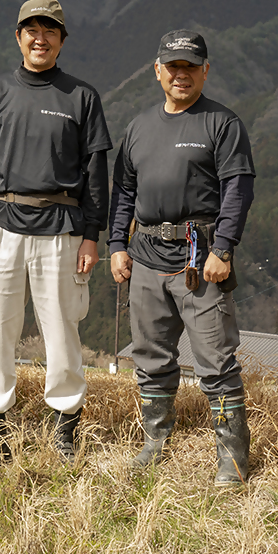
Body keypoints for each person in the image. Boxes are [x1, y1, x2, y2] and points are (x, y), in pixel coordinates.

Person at [0, 0, 112, 461]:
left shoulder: (81, 97)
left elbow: (96, 172)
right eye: (32, 29)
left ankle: (65, 425)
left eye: (50, 30)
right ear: (19, 36)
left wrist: (92, 233)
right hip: (0, 223)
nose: (40, 38)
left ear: (62, 40)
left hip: (62, 228)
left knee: (63, 331)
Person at [108, 30, 256, 486]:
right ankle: (156, 440)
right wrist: (117, 245)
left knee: (215, 362)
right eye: (173, 66)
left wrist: (223, 248)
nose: (181, 74)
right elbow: (125, 192)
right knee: (150, 357)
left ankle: (232, 459)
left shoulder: (222, 124)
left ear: (205, 70)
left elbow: (238, 188)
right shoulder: (138, 128)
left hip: (201, 261)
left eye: (190, 66)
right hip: (146, 257)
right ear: (157, 71)